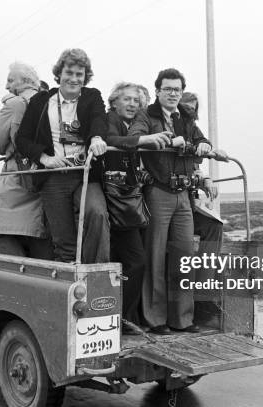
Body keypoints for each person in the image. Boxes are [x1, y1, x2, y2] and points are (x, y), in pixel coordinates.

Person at [128, 68, 212, 334]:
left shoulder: (185, 115)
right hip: (158, 192)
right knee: (155, 257)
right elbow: (134, 139)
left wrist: (204, 146)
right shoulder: (146, 115)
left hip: (183, 195)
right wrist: (158, 140)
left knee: (184, 257)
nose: (173, 94)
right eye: (168, 89)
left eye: (177, 89)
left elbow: (201, 139)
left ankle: (183, 319)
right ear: (158, 91)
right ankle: (156, 320)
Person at [16, 48, 109, 263]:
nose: (74, 78)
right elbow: (23, 139)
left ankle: (97, 269)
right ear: (60, 74)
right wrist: (45, 158)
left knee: (97, 214)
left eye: (79, 74)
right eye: (69, 72)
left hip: (84, 173)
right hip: (54, 175)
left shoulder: (92, 96)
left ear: (85, 77)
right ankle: (71, 282)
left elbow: (98, 119)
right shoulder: (41, 100)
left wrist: (96, 138)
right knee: (63, 238)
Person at [104, 82, 171, 329]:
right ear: (114, 102)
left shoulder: (130, 125)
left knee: (131, 260)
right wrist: (144, 140)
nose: (132, 104)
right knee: (133, 261)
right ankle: (122, 318)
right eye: (127, 99)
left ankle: (126, 317)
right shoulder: (110, 119)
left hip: (126, 201)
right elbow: (111, 140)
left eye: (136, 101)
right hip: (113, 201)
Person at [0, 62, 54, 259]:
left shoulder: (15, 104)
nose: (7, 86)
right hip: (45, 174)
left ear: (24, 81)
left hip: (16, 176)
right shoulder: (49, 101)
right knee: (39, 234)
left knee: (2, 231)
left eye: (10, 80)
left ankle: (18, 278)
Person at [180, 92, 227, 316]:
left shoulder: (192, 131)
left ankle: (203, 292)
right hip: (168, 200)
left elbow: (196, 167)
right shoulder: (165, 129)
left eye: (192, 108)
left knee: (213, 227)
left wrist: (205, 179)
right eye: (184, 107)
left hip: (189, 199)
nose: (189, 111)